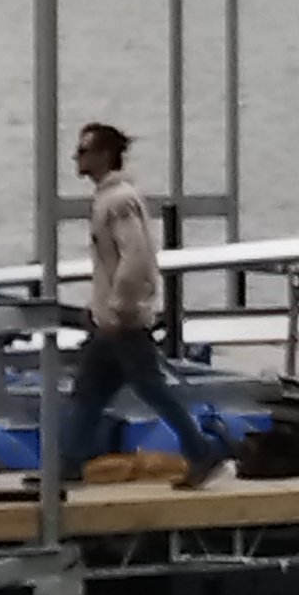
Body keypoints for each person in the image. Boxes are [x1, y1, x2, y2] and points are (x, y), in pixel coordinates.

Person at [65, 122, 228, 486]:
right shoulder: (109, 199)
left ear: (105, 155)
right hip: (109, 322)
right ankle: (69, 462)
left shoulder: (119, 201)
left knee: (152, 391)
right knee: (88, 393)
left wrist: (121, 306)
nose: (78, 158)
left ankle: (201, 453)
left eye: (85, 151)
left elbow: (136, 257)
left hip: (122, 323)